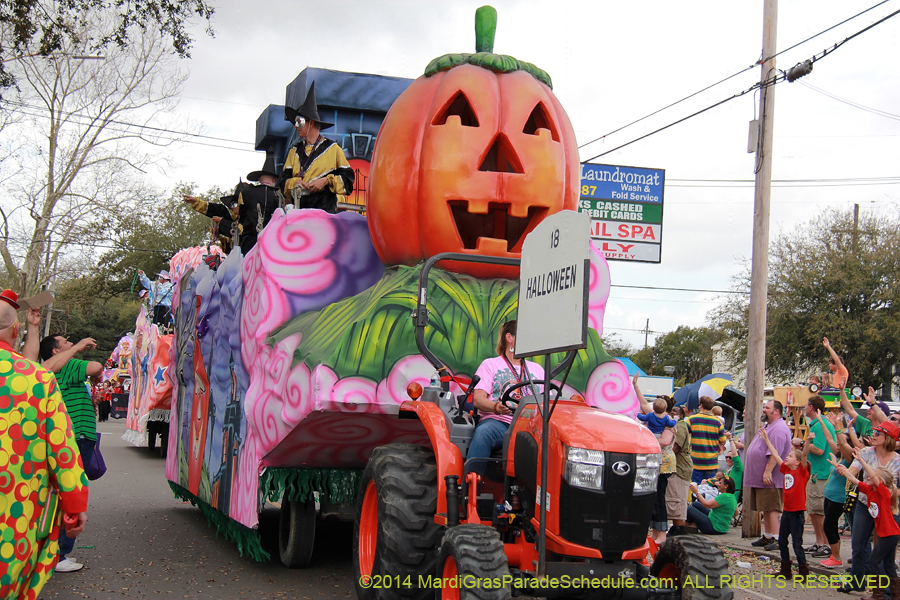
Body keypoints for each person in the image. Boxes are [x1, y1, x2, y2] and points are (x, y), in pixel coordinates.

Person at [0, 290, 89, 598]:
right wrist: (74, 505)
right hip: (15, 515)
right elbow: (62, 451)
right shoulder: (36, 380)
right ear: (15, 331)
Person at [39, 333, 104, 573]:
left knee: (58, 493)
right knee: (71, 492)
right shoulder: (68, 365)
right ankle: (59, 555)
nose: (69, 344)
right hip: (77, 437)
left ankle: (53, 552)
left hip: (67, 436)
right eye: (65, 343)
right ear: (56, 351)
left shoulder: (51, 370)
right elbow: (96, 366)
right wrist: (79, 349)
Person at [468, 320, 544, 465]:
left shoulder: (537, 369)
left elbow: (547, 400)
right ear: (509, 338)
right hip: (499, 423)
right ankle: (472, 481)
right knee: (483, 433)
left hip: (531, 426)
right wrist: (496, 407)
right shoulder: (490, 364)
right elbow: (478, 400)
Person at [838, 421, 900, 594]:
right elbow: (853, 470)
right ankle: (857, 581)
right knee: (858, 544)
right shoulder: (865, 452)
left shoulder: (898, 461)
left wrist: (888, 493)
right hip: (865, 504)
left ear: (888, 438)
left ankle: (887, 591)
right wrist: (844, 469)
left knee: (885, 552)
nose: (873, 435)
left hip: (888, 508)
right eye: (874, 432)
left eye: (878, 433)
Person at [280, 82, 354, 213]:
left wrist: (326, 181)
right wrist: (294, 183)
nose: (295, 126)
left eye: (299, 122)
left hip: (325, 215)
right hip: (298, 214)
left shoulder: (333, 149)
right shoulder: (294, 151)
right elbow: (281, 182)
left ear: (311, 122)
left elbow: (348, 181)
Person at [759, 425, 812, 579]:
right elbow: (775, 454)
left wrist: (807, 441)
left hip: (797, 513)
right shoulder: (787, 470)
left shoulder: (801, 472)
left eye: (790, 456)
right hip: (787, 512)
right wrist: (767, 440)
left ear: (797, 462)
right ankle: (785, 570)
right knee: (782, 541)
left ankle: (803, 572)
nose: (787, 457)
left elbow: (805, 455)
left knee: (797, 544)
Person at [746, 399, 792, 551]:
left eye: (767, 407)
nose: (764, 409)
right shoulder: (769, 426)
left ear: (776, 411)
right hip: (761, 476)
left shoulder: (778, 429)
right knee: (765, 506)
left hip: (772, 477)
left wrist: (767, 471)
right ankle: (767, 535)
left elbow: (775, 453)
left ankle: (778, 538)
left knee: (773, 507)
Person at [634, 376, 674, 544]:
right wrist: (635, 386)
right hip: (652, 464)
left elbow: (665, 441)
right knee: (652, 496)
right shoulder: (663, 418)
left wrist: (646, 436)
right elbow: (643, 403)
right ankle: (656, 531)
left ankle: (662, 533)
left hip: (663, 465)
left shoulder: (670, 423)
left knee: (659, 498)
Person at [820, 412, 856, 568]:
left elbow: (841, 440)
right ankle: (835, 555)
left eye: (841, 443)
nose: (838, 444)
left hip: (838, 498)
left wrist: (838, 426)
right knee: (831, 525)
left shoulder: (849, 459)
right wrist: (821, 421)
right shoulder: (840, 455)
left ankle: (836, 557)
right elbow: (829, 438)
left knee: (828, 525)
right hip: (830, 496)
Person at [803, 397, 836, 558]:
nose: (803, 409)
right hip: (816, 472)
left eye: (805, 406)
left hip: (821, 474)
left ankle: (827, 544)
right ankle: (819, 542)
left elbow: (819, 449)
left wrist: (803, 444)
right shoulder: (816, 424)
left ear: (811, 407)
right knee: (814, 510)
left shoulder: (821, 425)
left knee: (820, 510)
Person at [685, 396, 726, 484]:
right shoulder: (718, 422)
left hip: (696, 461)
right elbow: (723, 440)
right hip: (711, 462)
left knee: (696, 489)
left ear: (701, 406)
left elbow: (683, 435)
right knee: (709, 489)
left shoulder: (691, 419)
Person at [665, 404, 693, 534]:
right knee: (673, 497)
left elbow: (675, 448)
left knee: (677, 499)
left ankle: (680, 528)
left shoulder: (681, 427)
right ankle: (676, 527)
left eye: (675, 412)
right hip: (675, 468)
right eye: (670, 411)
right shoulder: (672, 426)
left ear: (681, 415)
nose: (672, 413)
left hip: (680, 469)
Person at [724, 431, 743, 503]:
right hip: (723, 496)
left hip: (731, 499)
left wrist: (730, 439)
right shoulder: (726, 471)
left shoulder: (738, 468)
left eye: (730, 457)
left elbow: (734, 454)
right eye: (726, 457)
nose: (728, 459)